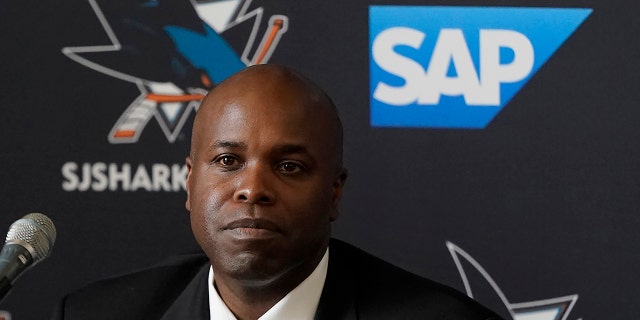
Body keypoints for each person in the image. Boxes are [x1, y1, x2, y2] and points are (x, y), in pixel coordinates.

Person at [51, 64, 503, 319]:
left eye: (289, 166)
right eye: (227, 161)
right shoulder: (94, 315)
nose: (251, 189)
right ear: (190, 182)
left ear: (334, 194)